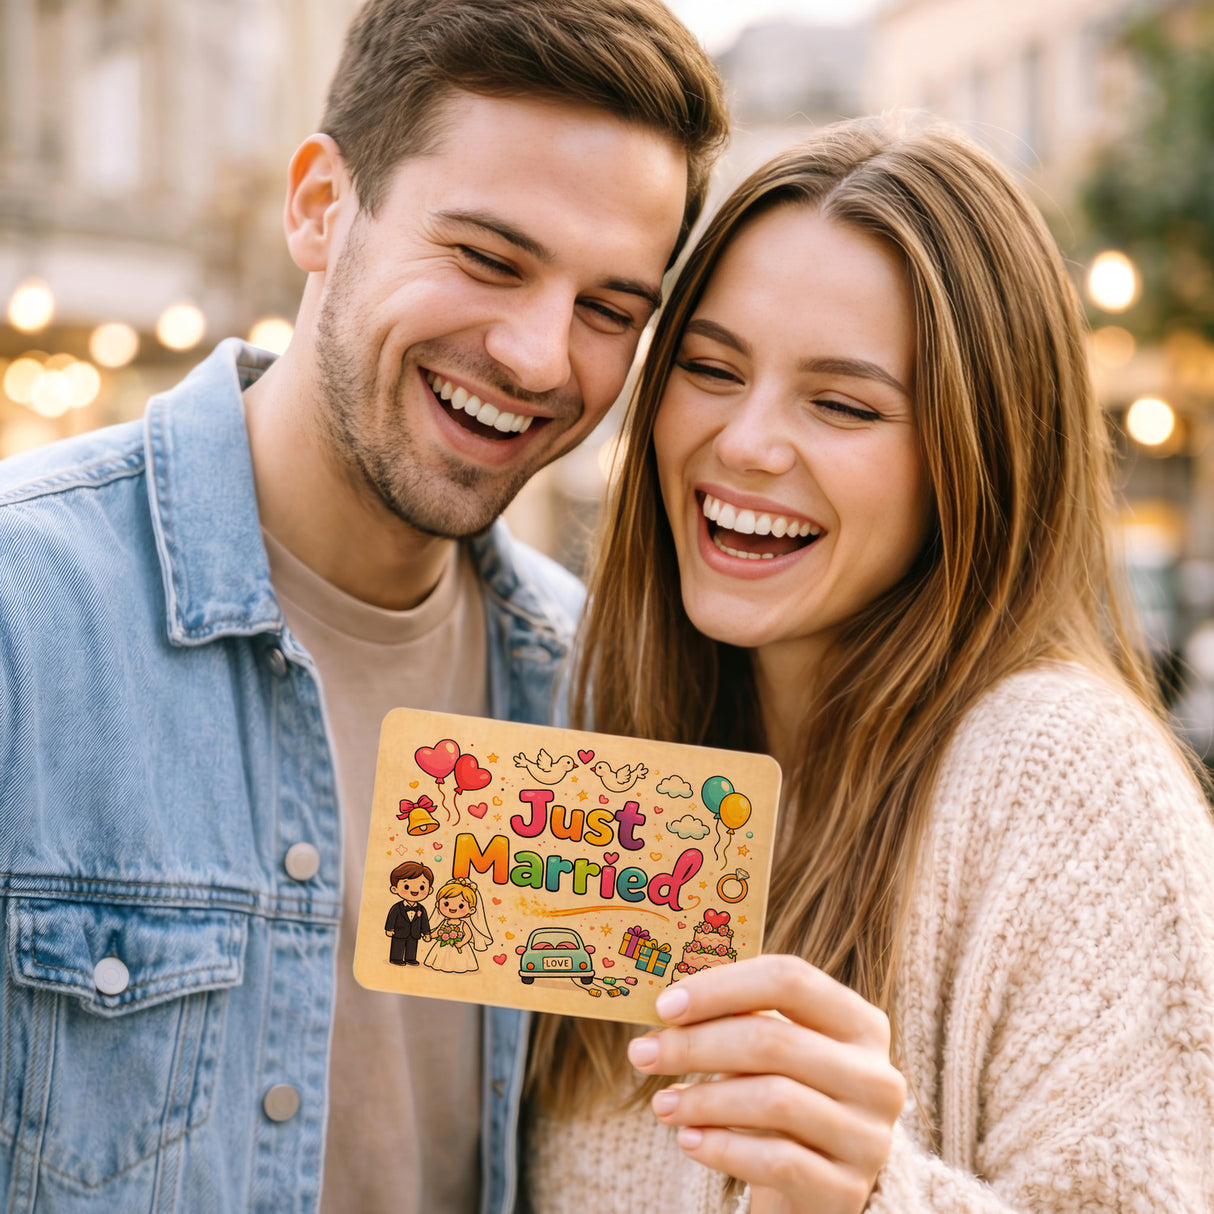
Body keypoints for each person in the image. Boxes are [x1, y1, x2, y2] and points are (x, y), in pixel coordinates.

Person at [0, 2, 727, 1212]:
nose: (539, 356)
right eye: (487, 257)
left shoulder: (595, 692)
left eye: (608, 309)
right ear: (320, 206)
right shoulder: (25, 613)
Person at [523, 115, 1214, 1212]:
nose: (745, 442)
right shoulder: (607, 734)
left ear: (975, 456)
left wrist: (870, 1193)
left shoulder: (1068, 781)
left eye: (841, 404)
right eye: (710, 368)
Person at [424, 877, 493, 973]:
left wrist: (461, 943)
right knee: (441, 958)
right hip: (443, 946)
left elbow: (468, 935)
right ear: (437, 904)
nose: (452, 908)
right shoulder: (444, 922)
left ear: (471, 910)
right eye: (446, 903)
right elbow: (438, 932)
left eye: (461, 906)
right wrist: (430, 936)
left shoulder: (463, 924)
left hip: (459, 946)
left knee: (459, 960)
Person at [385, 860, 435, 966]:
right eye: (406, 887)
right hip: (399, 932)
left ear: (429, 890)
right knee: (398, 945)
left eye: (422, 887)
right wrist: (389, 929)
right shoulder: (397, 907)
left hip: (414, 933)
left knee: (412, 946)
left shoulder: (421, 909)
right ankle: (396, 958)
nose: (414, 891)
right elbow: (391, 918)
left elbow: (424, 922)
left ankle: (410, 958)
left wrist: (426, 933)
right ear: (394, 889)